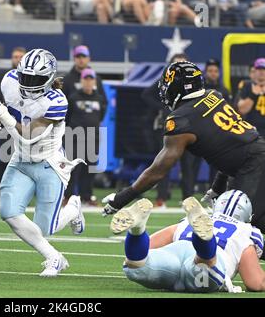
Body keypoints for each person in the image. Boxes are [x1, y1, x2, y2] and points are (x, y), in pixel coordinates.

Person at [102, 61, 265, 239]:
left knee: (232, 233)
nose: (165, 90)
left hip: (252, 167)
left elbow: (157, 171)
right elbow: (234, 143)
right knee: (255, 224)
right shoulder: (213, 95)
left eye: (167, 85)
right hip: (255, 158)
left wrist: (121, 199)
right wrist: (218, 186)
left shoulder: (181, 120)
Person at [0, 49, 86, 276]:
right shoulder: (10, 82)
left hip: (50, 164)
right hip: (20, 159)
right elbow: (6, 115)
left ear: (48, 79)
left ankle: (73, 208)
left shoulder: (56, 101)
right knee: (9, 212)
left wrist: (1, 113)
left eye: (34, 78)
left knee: (44, 229)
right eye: (24, 76)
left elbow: (29, 134)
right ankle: (54, 258)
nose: (27, 82)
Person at [112, 191, 265, 292]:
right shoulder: (245, 231)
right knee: (204, 267)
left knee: (137, 265)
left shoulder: (184, 222)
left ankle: (137, 230)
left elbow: (150, 245)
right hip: (211, 262)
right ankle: (204, 245)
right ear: (248, 217)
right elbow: (255, 283)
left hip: (176, 250)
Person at [141, 53, 199, 208]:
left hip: (187, 128)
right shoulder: (165, 82)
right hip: (170, 127)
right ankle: (161, 197)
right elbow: (146, 95)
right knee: (164, 163)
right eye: (176, 63)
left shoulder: (194, 83)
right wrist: (162, 107)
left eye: (183, 63)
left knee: (188, 165)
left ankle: (188, 199)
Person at [64, 68, 107, 206]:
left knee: (90, 169)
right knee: (72, 168)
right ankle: (68, 196)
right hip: (75, 137)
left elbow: (101, 115)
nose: (88, 82)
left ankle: (87, 196)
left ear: (94, 81)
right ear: (81, 81)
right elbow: (67, 116)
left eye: (90, 79)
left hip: (92, 137)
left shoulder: (99, 99)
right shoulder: (73, 98)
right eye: (86, 79)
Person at [0, 46, 26, 205]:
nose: (17, 59)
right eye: (15, 56)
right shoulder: (4, 77)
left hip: (26, 126)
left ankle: (21, 192)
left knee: (25, 160)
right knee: (5, 158)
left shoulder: (30, 79)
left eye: (20, 57)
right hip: (8, 124)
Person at [237, 58, 265, 136]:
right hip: (251, 131)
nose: (261, 72)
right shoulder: (247, 85)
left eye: (264, 69)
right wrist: (253, 94)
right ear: (254, 71)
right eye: (259, 69)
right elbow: (241, 110)